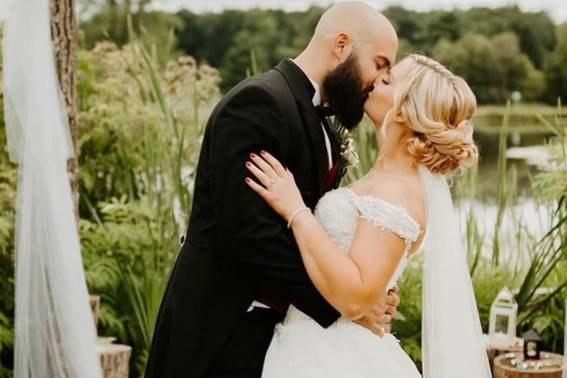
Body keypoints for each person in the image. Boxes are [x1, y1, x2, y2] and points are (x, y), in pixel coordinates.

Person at [145, 2, 401, 377]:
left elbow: (318, 229)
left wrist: (366, 288)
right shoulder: (259, 102)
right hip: (220, 330)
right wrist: (347, 305)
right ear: (342, 45)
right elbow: (249, 235)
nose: (378, 81)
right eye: (379, 64)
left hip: (277, 337)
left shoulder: (324, 124)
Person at [245, 54, 491, 377]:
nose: (375, 81)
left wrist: (296, 212)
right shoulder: (386, 178)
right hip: (313, 343)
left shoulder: (399, 191)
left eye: (388, 81)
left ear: (405, 110)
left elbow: (355, 297)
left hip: (333, 358)